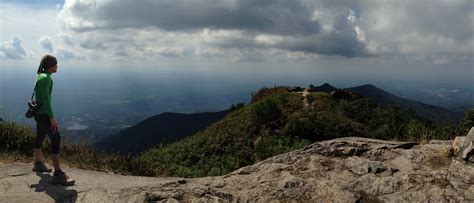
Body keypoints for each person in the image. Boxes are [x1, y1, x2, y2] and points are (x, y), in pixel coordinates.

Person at [32, 55, 75, 186]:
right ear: (51, 66)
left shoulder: (41, 75)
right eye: (56, 64)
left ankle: (38, 163)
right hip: (44, 114)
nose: (57, 66)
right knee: (56, 138)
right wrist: (52, 118)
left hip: (38, 114)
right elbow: (46, 100)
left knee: (40, 135)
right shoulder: (46, 78)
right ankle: (57, 174)